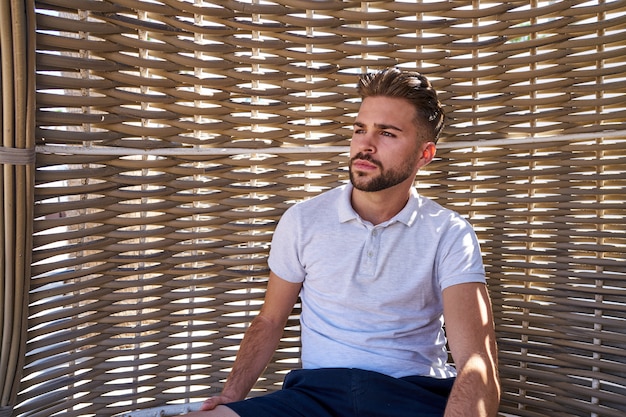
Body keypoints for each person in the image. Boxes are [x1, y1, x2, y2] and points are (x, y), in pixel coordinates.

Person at [183, 67, 500, 417]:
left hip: (409, 395)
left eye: (387, 134)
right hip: (314, 397)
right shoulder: (303, 220)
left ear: (424, 154)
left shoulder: (449, 233)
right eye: (360, 129)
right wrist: (232, 395)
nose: (365, 144)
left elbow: (476, 361)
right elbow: (270, 321)